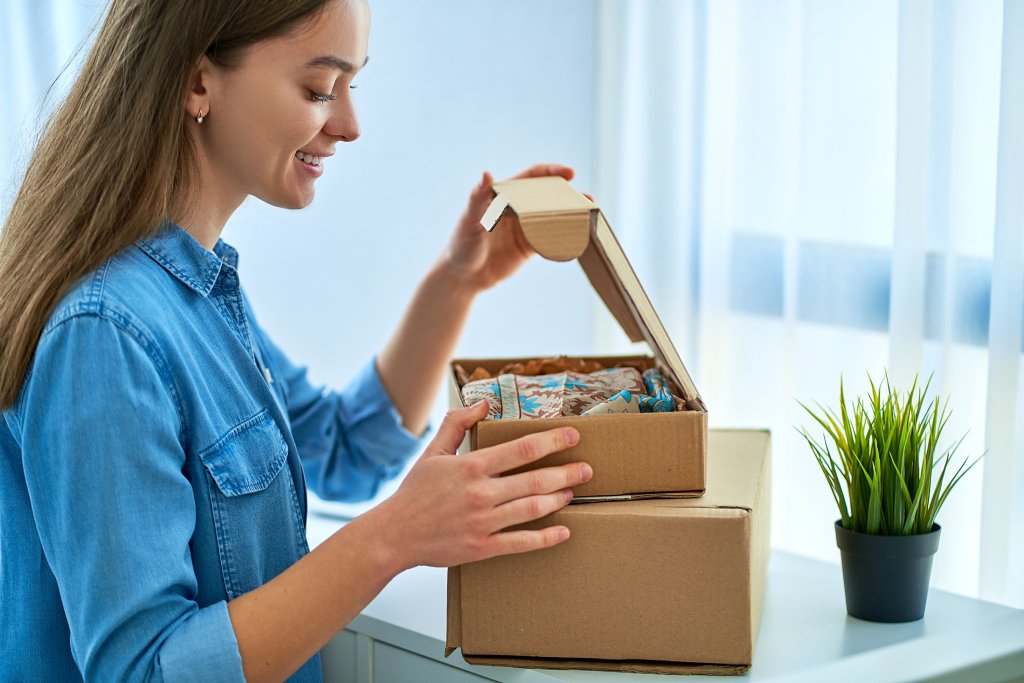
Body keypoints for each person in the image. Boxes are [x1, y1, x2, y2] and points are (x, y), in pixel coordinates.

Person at [0, 0, 593, 680]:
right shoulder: (106, 334)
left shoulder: (198, 290)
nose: (349, 125)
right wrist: (392, 537)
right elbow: (145, 671)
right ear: (198, 83)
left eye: (351, 87)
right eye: (318, 89)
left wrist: (458, 281)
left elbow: (344, 449)